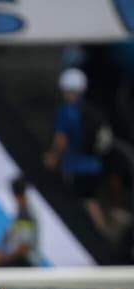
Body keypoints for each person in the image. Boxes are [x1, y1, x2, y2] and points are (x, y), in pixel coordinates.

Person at [44, 68, 108, 235]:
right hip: (95, 165)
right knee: (90, 200)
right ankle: (99, 233)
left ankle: (98, 238)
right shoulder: (89, 108)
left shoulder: (67, 111)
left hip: (76, 166)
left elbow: (61, 139)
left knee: (83, 203)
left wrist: (53, 157)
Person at [0, 178, 39, 267]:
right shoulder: (20, 213)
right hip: (18, 260)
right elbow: (8, 236)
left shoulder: (27, 215)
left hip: (24, 263)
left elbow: (25, 247)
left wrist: (7, 258)